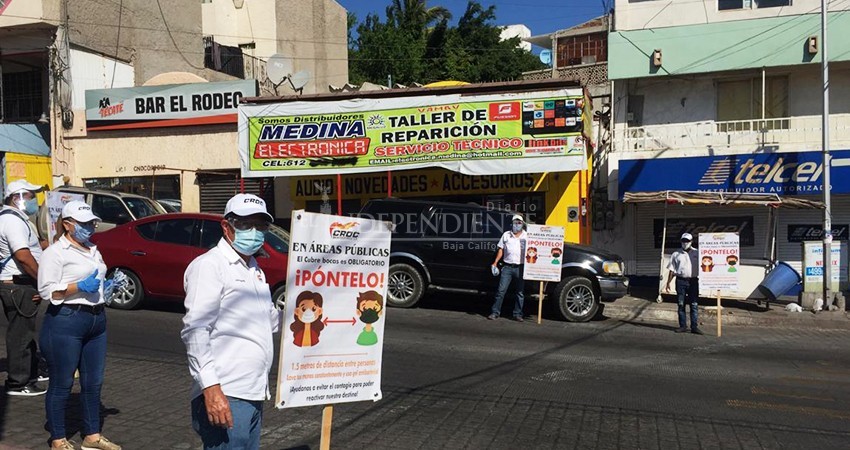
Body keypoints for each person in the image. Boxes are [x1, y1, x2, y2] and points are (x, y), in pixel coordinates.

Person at [182, 194, 280, 450]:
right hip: (227, 392)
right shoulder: (209, 266)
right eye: (247, 225)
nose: (255, 232)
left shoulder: (254, 268)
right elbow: (195, 330)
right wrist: (212, 389)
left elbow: (269, 323)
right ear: (227, 227)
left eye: (261, 226)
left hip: (253, 391)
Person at [38, 201, 122, 450]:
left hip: (96, 320)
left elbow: (96, 278)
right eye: (84, 224)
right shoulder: (56, 252)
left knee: (93, 382)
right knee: (62, 383)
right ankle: (58, 438)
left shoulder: (92, 248)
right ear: (67, 224)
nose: (90, 227)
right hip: (66, 320)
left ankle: (92, 436)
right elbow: (46, 290)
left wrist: (104, 288)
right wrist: (77, 287)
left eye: (92, 223)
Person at [0, 179, 47, 397]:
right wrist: (42, 281)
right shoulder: (12, 221)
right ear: (16, 197)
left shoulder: (19, 219)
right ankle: (17, 383)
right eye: (29, 195)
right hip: (18, 284)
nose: (33, 200)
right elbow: (23, 256)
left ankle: (29, 372)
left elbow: (33, 248)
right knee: (20, 334)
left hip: (19, 283)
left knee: (25, 331)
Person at [489, 214, 527, 322]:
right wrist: (495, 262)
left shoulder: (527, 236)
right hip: (507, 267)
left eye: (519, 222)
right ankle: (495, 312)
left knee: (520, 293)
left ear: (522, 224)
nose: (517, 224)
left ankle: (518, 314)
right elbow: (500, 249)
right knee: (501, 291)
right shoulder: (506, 235)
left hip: (521, 267)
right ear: (512, 223)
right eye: (515, 222)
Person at [664, 232, 703, 335]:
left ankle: (694, 327)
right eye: (683, 241)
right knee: (681, 304)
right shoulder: (676, 254)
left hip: (693, 281)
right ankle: (683, 326)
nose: (685, 243)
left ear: (691, 242)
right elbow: (672, 270)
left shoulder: (697, 253)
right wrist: (668, 283)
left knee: (694, 304)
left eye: (687, 241)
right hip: (680, 281)